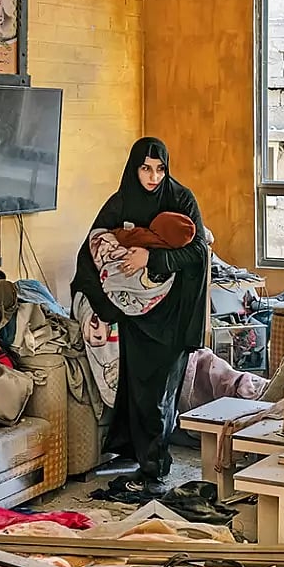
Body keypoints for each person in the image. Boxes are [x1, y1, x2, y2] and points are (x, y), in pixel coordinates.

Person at [70, 137, 209, 494]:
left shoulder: (180, 198)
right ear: (135, 168)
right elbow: (91, 248)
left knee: (160, 394)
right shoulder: (121, 201)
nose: (152, 176)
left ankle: (154, 470)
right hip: (135, 318)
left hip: (172, 315)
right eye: (145, 168)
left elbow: (197, 251)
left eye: (159, 169)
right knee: (137, 392)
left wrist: (151, 259)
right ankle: (140, 460)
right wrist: (104, 304)